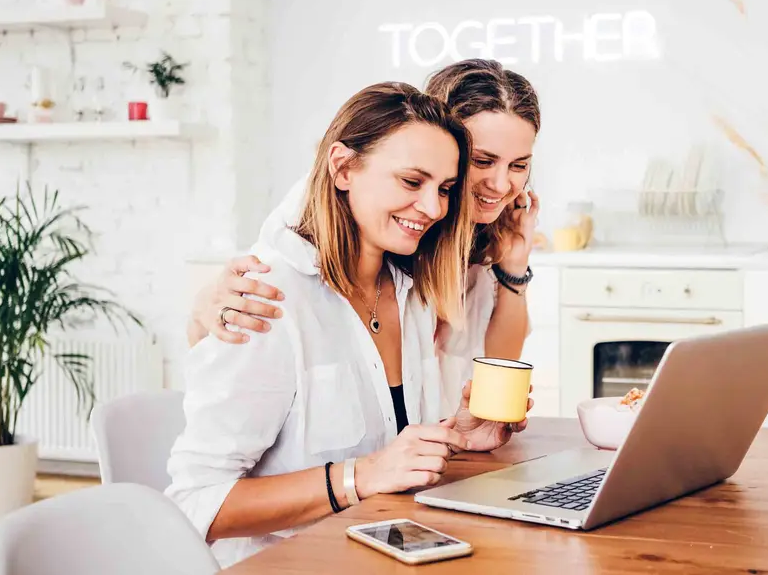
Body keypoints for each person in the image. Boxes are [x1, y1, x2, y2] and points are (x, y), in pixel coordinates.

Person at [164, 82, 524, 568]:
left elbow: (388, 450)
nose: (434, 209)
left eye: (443, 190)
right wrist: (358, 476)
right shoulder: (266, 300)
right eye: (411, 182)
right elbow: (193, 505)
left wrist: (457, 434)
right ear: (342, 167)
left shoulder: (408, 293)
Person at [186, 59, 542, 411]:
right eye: (482, 161)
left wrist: (513, 264)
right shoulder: (361, 207)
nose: (500, 184)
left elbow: (497, 365)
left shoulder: (496, 222)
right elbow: (262, 295)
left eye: (519, 165)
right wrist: (206, 306)